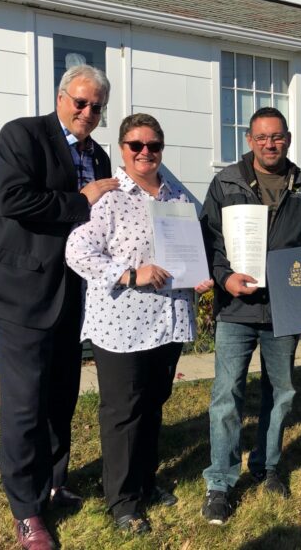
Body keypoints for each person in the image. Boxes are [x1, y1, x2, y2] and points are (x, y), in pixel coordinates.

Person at [0, 65, 119, 549]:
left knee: (61, 395)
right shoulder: (23, 135)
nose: (87, 112)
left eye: (96, 106)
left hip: (75, 291)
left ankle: (54, 481)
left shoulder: (100, 154)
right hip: (23, 291)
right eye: (80, 102)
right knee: (25, 404)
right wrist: (81, 198)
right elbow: (13, 200)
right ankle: (26, 511)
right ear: (61, 97)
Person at [65, 113, 213, 534]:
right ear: (122, 150)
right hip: (122, 325)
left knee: (153, 406)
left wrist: (198, 274)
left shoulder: (177, 195)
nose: (145, 152)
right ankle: (123, 502)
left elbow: (194, 244)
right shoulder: (109, 196)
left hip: (168, 321)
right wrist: (131, 274)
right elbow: (77, 253)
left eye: (153, 145)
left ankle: (145, 481)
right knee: (123, 413)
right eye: (136, 145)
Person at [199, 107, 301, 525]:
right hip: (236, 306)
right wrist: (223, 276)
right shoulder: (226, 182)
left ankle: (267, 467)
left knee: (281, 392)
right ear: (249, 139)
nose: (270, 144)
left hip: (285, 306)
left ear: (287, 138)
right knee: (226, 394)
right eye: (262, 137)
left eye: (278, 137)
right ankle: (220, 482)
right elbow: (209, 240)